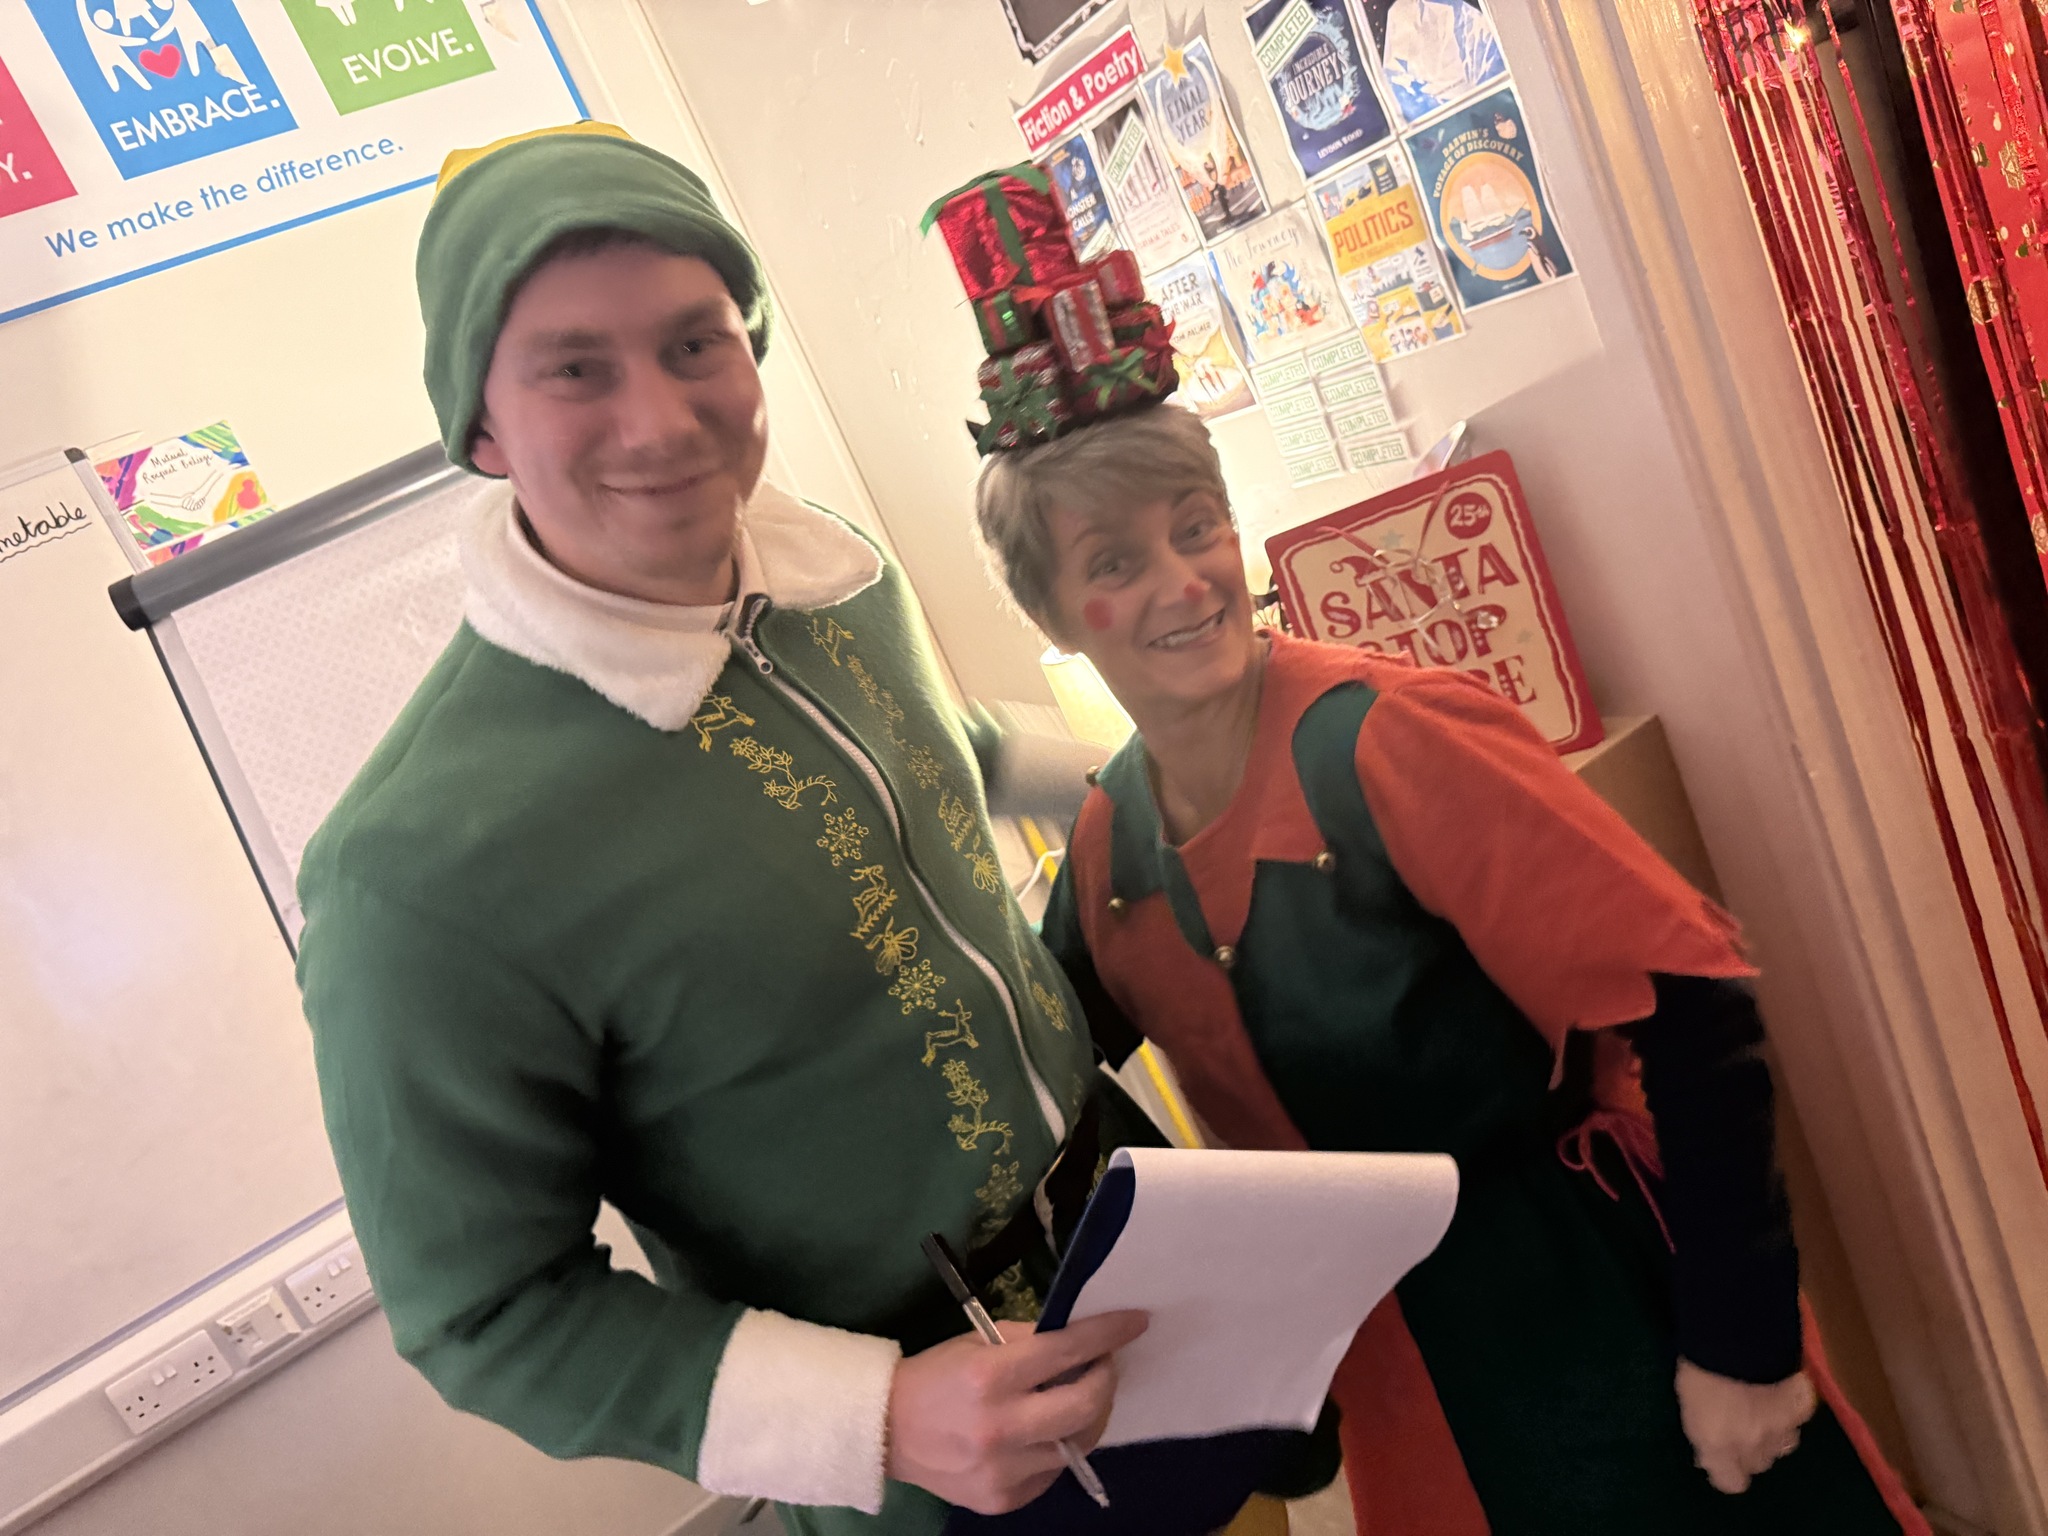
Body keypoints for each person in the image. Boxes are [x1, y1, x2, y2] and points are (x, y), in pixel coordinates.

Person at [293, 122, 1156, 1536]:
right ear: (482, 426)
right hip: (933, 1443)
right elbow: (483, 1313)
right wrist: (883, 1416)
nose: (661, 423)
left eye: (696, 343)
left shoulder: (819, 574)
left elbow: (937, 753)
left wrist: (1168, 762)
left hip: (1138, 1248)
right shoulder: (416, 870)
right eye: (576, 369)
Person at [969, 401, 1932, 1536]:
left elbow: (1691, 1009)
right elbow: (1035, 1078)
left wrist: (1740, 1343)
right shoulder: (1106, 845)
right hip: (1388, 1360)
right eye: (1115, 563)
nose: (1183, 584)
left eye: (1196, 528)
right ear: (1047, 612)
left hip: (1586, 1304)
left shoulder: (1393, 737)